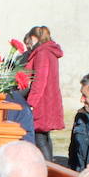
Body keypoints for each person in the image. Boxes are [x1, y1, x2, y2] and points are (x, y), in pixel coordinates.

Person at [21, 26, 63, 161]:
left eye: (28, 43)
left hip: (41, 102)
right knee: (44, 137)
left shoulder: (42, 52)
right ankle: (49, 168)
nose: (28, 48)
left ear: (33, 38)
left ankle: (47, 171)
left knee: (40, 138)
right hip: (47, 100)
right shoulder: (49, 51)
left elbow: (39, 80)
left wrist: (31, 103)